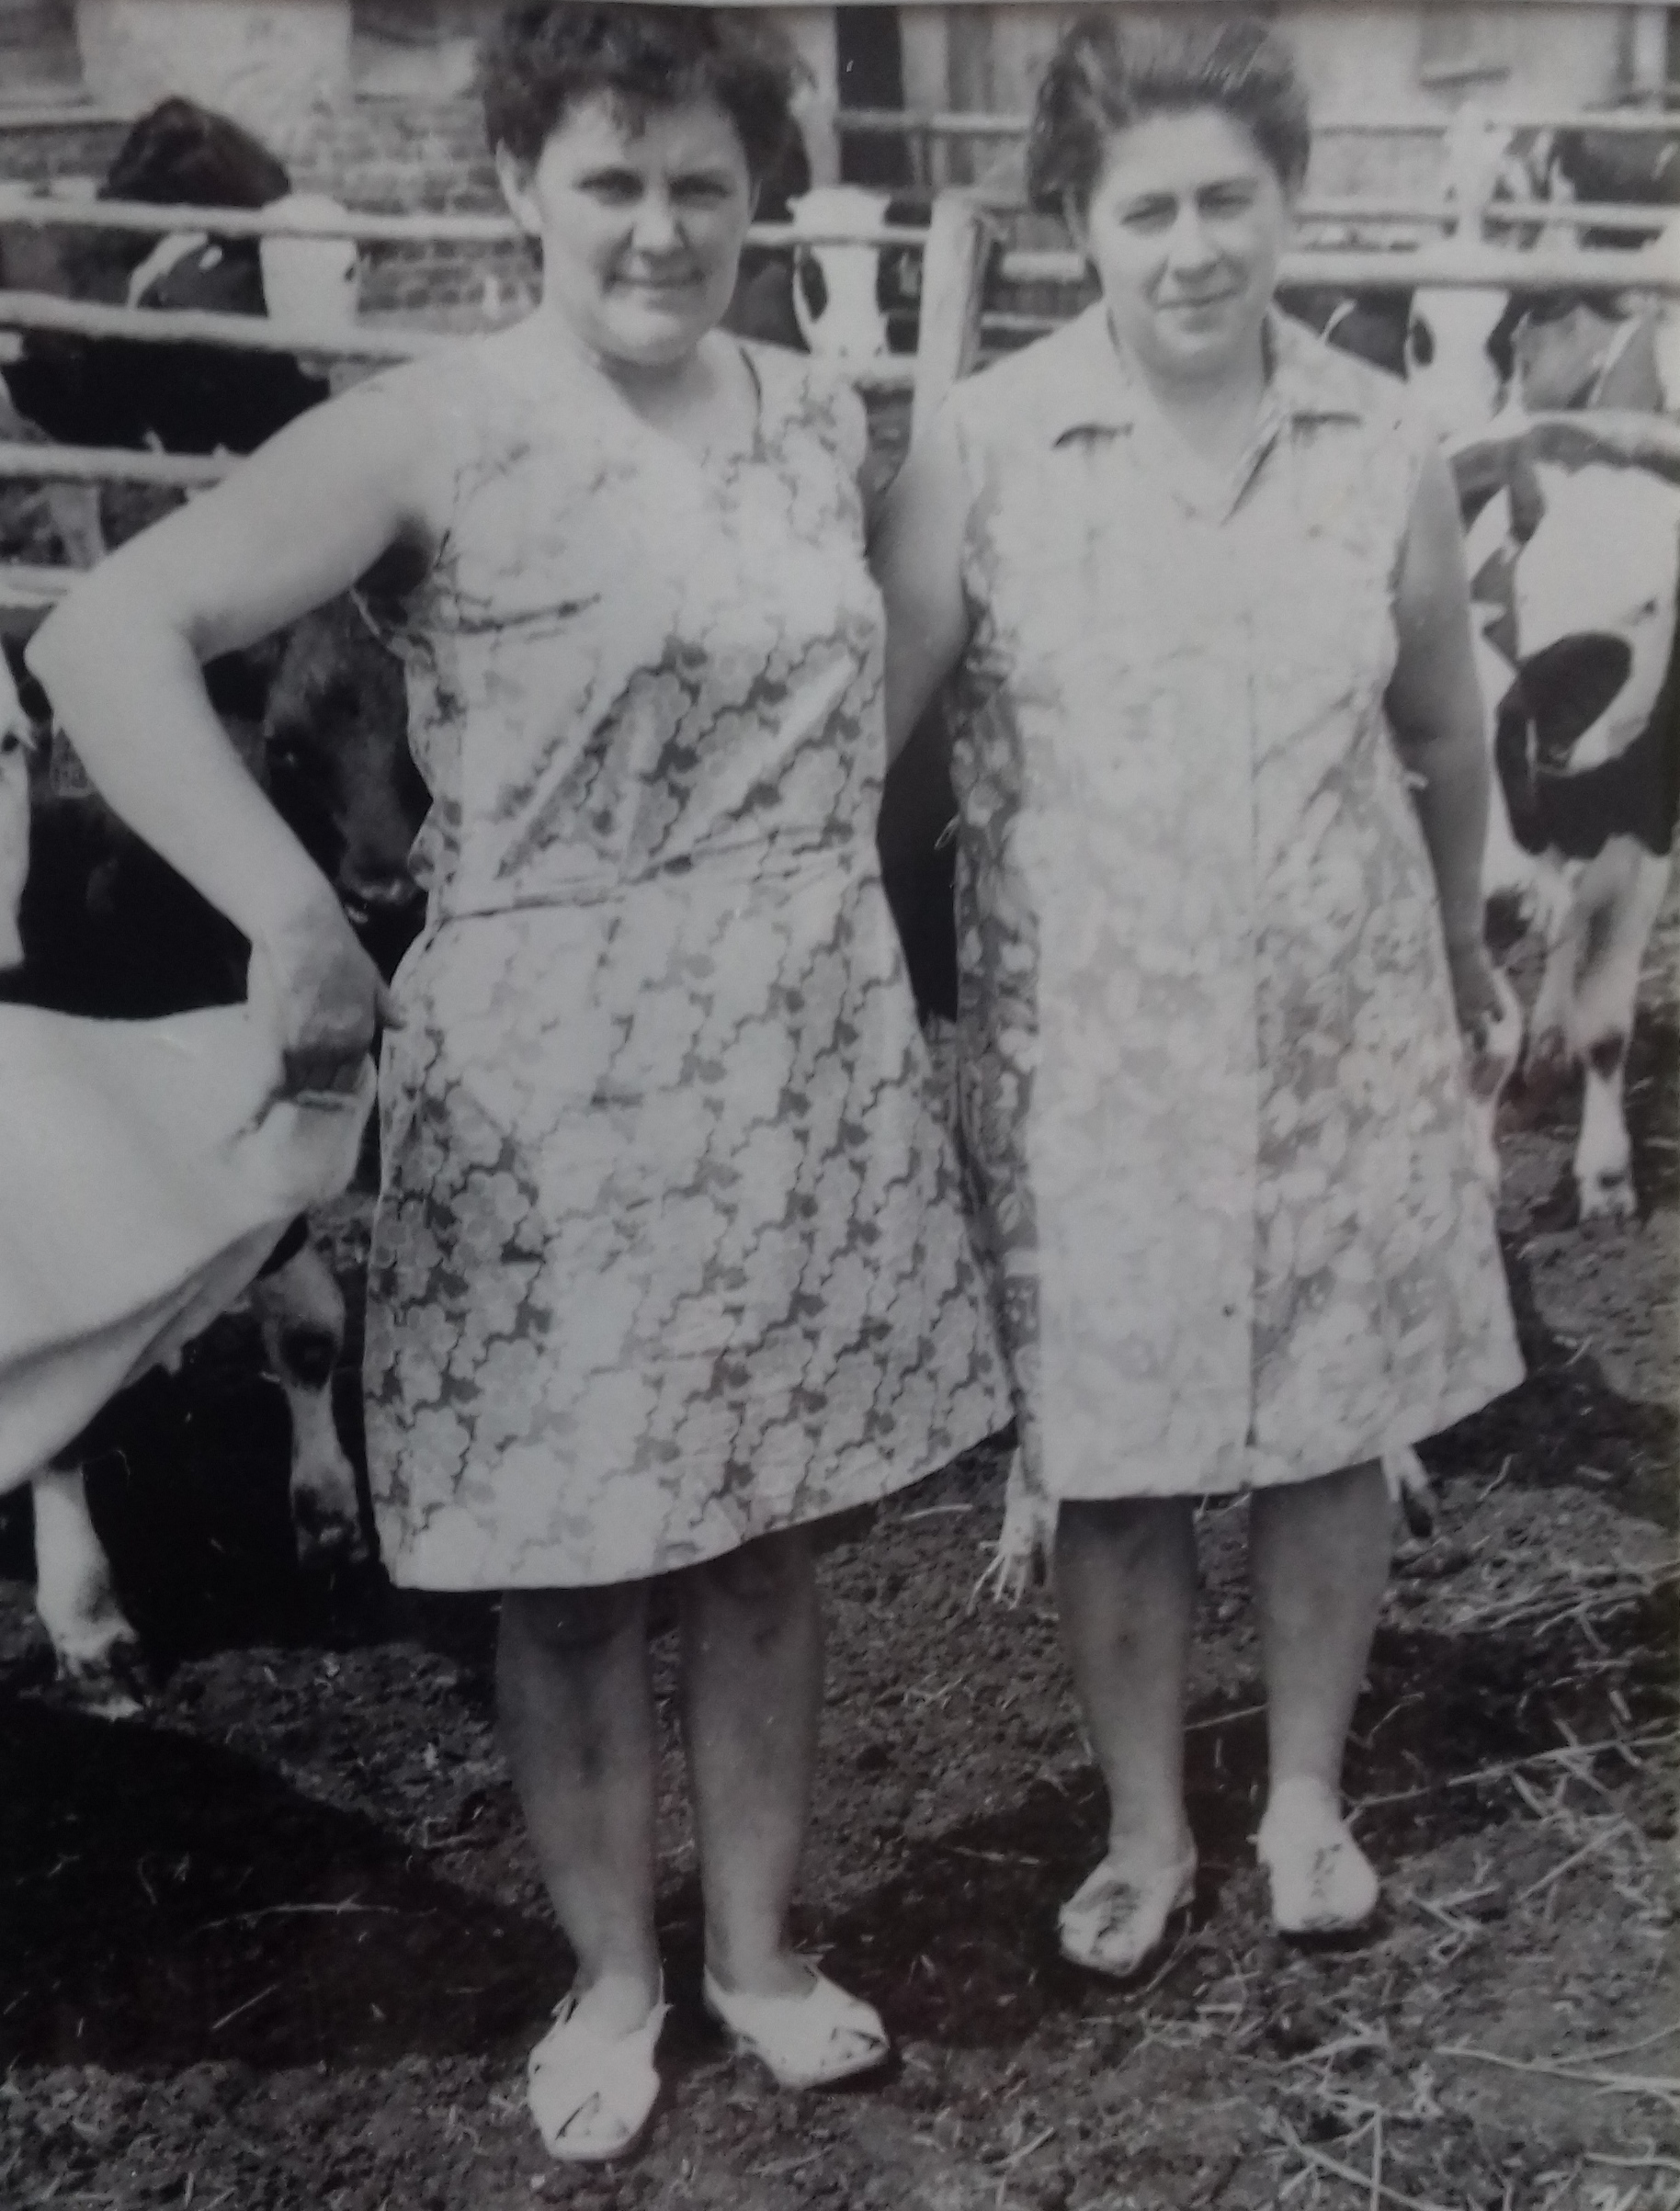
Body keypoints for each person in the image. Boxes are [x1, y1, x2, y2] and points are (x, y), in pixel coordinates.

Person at [28, 3, 1008, 2162]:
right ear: (513, 187)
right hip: (551, 1090)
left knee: (762, 1541)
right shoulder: (433, 430)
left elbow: (864, 706)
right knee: (568, 1572)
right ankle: (613, 1984)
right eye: (608, 181)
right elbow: (103, 636)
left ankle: (757, 1958)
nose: (659, 228)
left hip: (792, 1058)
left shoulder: (814, 411)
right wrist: (292, 913)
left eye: (701, 185)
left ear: (757, 197)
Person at [871, 12, 1524, 1978]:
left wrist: (1456, 948)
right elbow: (872, 750)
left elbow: (1444, 730)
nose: (1191, 249)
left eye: (1226, 201)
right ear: (1076, 220)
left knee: (1329, 1422)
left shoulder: (1378, 440)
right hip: (1089, 1055)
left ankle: (1304, 1796)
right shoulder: (984, 447)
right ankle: (1144, 1827)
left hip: (1338, 1028)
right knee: (1115, 1446)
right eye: (1144, 210)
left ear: (1289, 199)